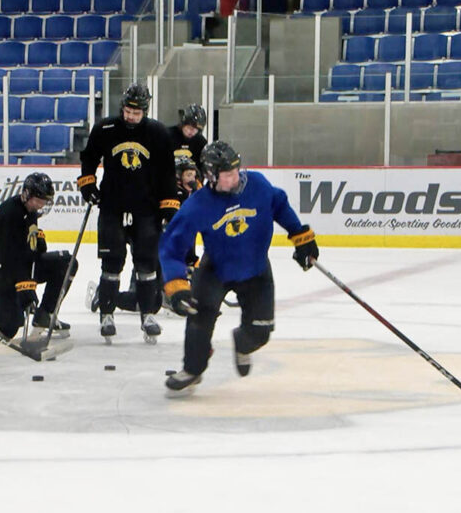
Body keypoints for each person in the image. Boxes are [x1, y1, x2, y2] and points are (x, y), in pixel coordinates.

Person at [159, 140, 319, 397]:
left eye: (235, 170)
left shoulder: (257, 184)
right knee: (198, 318)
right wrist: (176, 285)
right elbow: (171, 245)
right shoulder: (198, 205)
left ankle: (243, 344)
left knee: (260, 332)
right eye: (227, 174)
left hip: (256, 269)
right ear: (211, 176)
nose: (234, 178)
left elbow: (279, 203)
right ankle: (192, 369)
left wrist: (300, 236)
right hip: (216, 269)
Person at [78, 83, 177, 343]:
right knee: (112, 262)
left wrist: (169, 205)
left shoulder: (157, 132)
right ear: (122, 107)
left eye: (137, 113)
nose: (131, 116)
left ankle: (148, 315)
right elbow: (89, 158)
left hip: (147, 208)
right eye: (128, 111)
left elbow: (167, 172)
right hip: (112, 205)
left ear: (145, 110)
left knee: (146, 263)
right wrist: (88, 184)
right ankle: (107, 314)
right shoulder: (105, 128)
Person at [86, 155, 203, 313]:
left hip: (160, 252)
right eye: (188, 175)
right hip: (150, 250)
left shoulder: (191, 196)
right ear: (177, 176)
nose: (193, 179)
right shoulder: (168, 196)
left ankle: (158, 293)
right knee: (147, 303)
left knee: (154, 299)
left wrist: (191, 261)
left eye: (194, 175)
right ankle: (105, 294)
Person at [0, 172, 77, 340]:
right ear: (26, 194)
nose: (41, 205)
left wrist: (38, 244)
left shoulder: (30, 210)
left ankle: (45, 314)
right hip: (1, 272)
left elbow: (28, 252)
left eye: (44, 201)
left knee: (67, 262)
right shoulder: (9, 214)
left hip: (20, 266)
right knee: (6, 329)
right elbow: (9, 258)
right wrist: (25, 286)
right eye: (38, 200)